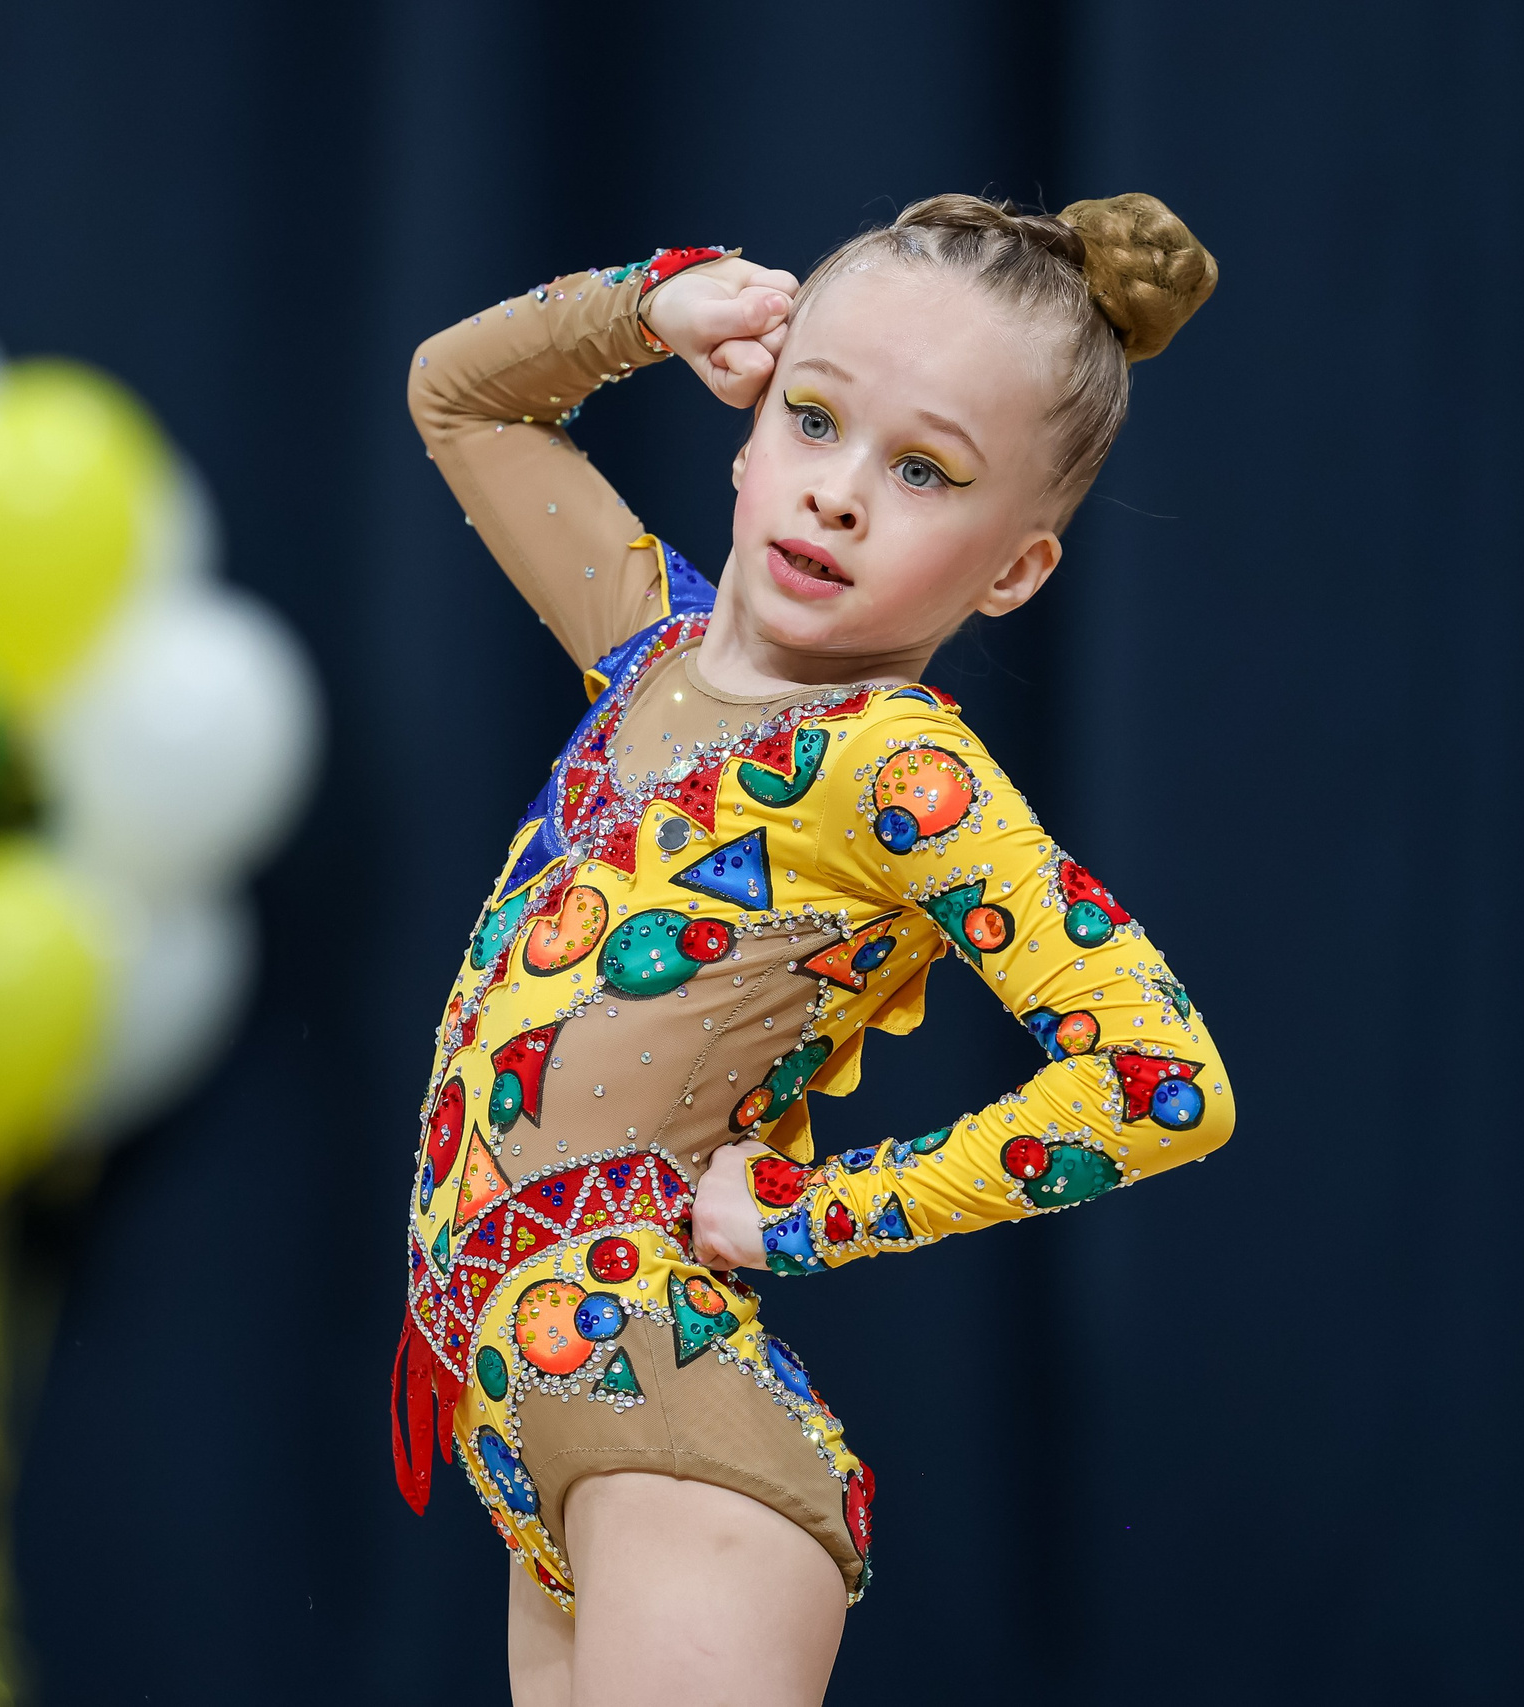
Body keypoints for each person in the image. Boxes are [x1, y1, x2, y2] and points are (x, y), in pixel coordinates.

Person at [391, 194, 1229, 1706]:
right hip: (540, 1433)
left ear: (1015, 572)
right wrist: (653, 309)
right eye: (815, 418)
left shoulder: (896, 765)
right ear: (749, 423)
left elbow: (1165, 1081)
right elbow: (454, 391)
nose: (839, 494)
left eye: (922, 472)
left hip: (683, 1448)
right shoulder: (646, 637)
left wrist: (825, 1208)